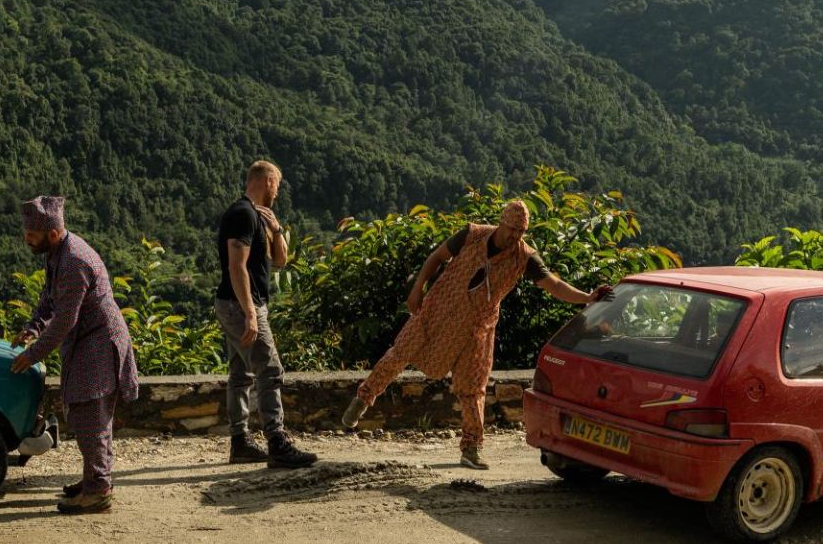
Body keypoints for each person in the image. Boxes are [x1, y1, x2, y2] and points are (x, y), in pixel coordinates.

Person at [341, 200, 611, 469]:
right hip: (439, 309)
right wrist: (417, 289)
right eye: (511, 230)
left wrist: (586, 297)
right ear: (501, 223)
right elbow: (436, 257)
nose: (514, 236)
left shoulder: (525, 256)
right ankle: (364, 398)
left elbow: (553, 284)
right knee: (399, 353)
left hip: (476, 328)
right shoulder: (472, 234)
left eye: (520, 232)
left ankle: (471, 447)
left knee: (472, 386)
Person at [10, 196, 141, 514]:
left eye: (32, 235)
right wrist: (33, 326)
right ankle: (94, 478)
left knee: (90, 417)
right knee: (86, 417)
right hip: (86, 344)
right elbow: (49, 299)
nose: (27, 240)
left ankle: (98, 490)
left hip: (98, 345)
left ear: (52, 233)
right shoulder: (56, 255)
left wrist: (34, 353)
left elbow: (66, 319)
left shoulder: (73, 261)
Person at [213, 160, 318, 468]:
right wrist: (249, 312)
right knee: (270, 370)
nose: (279, 191)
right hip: (241, 305)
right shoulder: (243, 214)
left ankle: (241, 443)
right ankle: (277, 443)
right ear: (268, 181)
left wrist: (276, 228)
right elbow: (237, 266)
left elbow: (281, 260)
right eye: (279, 185)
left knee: (241, 374)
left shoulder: (259, 217)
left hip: (235, 304)